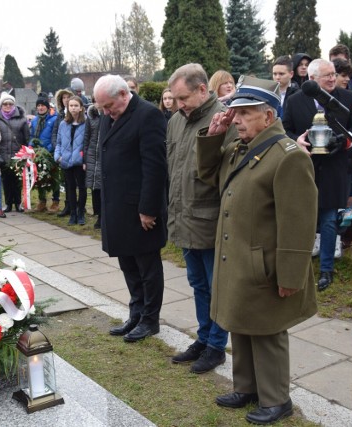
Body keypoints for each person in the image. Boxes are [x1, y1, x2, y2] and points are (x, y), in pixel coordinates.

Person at [196, 77, 317, 425]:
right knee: (241, 322)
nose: (236, 120)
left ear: (268, 115)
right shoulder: (240, 148)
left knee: (268, 331)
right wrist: (215, 135)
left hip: (265, 264)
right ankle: (247, 387)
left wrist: (291, 276)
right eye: (234, 113)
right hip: (239, 259)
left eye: (244, 114)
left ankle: (277, 399)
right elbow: (207, 175)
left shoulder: (287, 157)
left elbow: (299, 222)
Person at [167, 63, 238, 374]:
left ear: (201, 89)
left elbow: (227, 174)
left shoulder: (225, 120)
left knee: (215, 286)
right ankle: (204, 336)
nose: (179, 105)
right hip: (184, 216)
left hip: (210, 219)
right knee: (198, 283)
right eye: (175, 99)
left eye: (183, 98)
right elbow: (175, 169)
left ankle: (216, 346)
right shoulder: (175, 122)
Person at [94, 74, 168, 343]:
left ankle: (150, 319)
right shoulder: (109, 114)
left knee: (147, 266)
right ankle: (136, 313)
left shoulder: (148, 116)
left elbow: (155, 167)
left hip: (140, 209)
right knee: (128, 263)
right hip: (116, 206)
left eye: (108, 105)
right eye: (102, 107)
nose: (105, 112)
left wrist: (148, 209)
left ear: (124, 94)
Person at [282, 59, 352, 292]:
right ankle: (298, 266)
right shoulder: (295, 100)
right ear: (311, 80)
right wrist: (296, 140)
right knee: (303, 220)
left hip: (334, 168)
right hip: (304, 168)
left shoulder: (346, 97)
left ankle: (326, 270)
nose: (332, 78)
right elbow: (284, 129)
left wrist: (344, 140)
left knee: (329, 220)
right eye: (326, 75)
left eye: (333, 74)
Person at [0, 92, 29, 212]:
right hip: (3, 154)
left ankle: (18, 203)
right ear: (1, 105)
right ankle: (8, 203)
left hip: (17, 155)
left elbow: (26, 138)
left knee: (17, 181)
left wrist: (26, 153)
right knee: (6, 181)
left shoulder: (22, 119)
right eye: (5, 104)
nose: (7, 106)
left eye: (10, 104)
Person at [54, 95, 87, 225]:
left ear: (81, 108)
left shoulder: (86, 123)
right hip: (66, 161)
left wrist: (84, 159)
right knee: (70, 188)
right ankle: (73, 214)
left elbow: (88, 142)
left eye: (76, 106)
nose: (73, 108)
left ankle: (81, 214)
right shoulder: (63, 124)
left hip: (79, 161)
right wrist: (58, 157)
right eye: (71, 106)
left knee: (82, 188)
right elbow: (59, 142)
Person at [30, 93, 59, 212]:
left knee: (53, 177)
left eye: (43, 105)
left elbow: (55, 136)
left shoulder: (54, 119)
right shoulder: (35, 120)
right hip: (37, 153)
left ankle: (56, 201)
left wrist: (47, 149)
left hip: (49, 152)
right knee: (40, 177)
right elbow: (32, 135)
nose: (40, 108)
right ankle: (42, 201)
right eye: (39, 106)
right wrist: (31, 148)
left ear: (47, 107)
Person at [51, 88, 74, 217]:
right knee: (65, 181)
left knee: (74, 182)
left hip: (74, 152)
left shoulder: (76, 114)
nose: (66, 100)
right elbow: (55, 134)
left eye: (68, 97)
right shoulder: (59, 116)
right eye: (63, 98)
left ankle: (75, 206)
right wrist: (57, 148)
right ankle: (67, 205)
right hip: (63, 153)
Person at [84, 99, 102, 229]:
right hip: (92, 154)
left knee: (102, 187)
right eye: (96, 101)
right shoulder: (91, 117)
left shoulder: (109, 116)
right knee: (94, 187)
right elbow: (86, 137)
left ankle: (102, 216)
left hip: (104, 155)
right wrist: (85, 158)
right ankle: (97, 212)